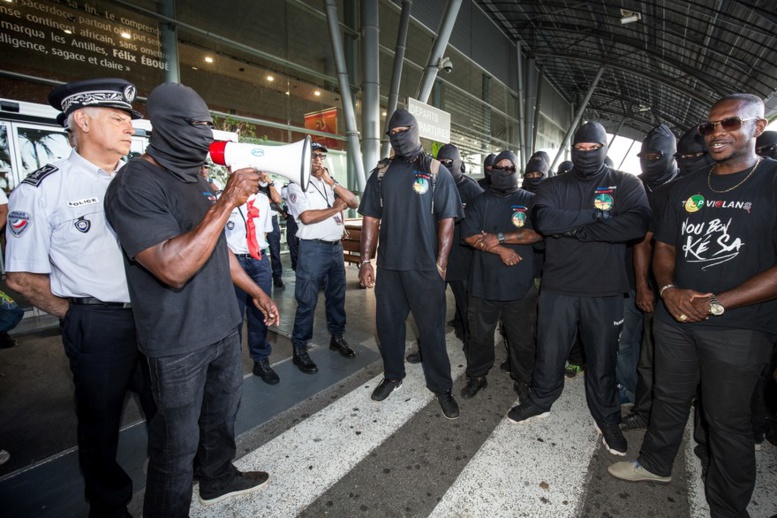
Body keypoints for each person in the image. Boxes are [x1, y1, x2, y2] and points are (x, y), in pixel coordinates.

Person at [104, 82, 279, 516]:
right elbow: (173, 267)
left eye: (210, 124)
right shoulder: (135, 183)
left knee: (220, 420)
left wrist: (255, 291)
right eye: (197, 125)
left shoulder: (197, 178)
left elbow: (215, 248)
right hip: (177, 342)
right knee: (175, 446)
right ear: (164, 126)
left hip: (221, 325)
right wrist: (225, 202)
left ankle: (218, 477)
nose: (206, 134)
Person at [608, 94, 775, 518]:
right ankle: (655, 464)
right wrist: (667, 291)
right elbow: (664, 246)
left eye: (731, 124)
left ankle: (728, 506)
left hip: (741, 325)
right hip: (676, 318)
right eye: (710, 126)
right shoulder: (686, 186)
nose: (718, 132)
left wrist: (718, 302)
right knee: (668, 395)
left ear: (757, 128)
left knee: (726, 421)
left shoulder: (772, 181)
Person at [4, 78, 156, 517]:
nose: (130, 127)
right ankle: (109, 509)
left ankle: (170, 479)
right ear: (83, 121)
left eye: (130, 119)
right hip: (97, 325)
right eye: (118, 118)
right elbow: (19, 277)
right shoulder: (43, 188)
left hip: (152, 317)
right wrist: (73, 315)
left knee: (167, 410)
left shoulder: (138, 180)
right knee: (100, 427)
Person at [507, 122, 650, 459]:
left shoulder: (626, 183)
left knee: (603, 358)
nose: (586, 154)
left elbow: (636, 224)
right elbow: (544, 222)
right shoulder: (555, 184)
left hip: (606, 291)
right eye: (580, 149)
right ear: (573, 149)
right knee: (550, 351)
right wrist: (599, 218)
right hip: (559, 288)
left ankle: (608, 417)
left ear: (604, 148)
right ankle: (541, 401)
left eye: (593, 148)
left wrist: (574, 229)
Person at [358, 109, 463, 419]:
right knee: (388, 328)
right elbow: (370, 218)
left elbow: (447, 220)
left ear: (417, 132)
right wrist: (366, 260)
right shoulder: (381, 172)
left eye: (405, 129)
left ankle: (442, 386)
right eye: (393, 132)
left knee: (431, 330)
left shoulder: (435, 171)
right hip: (390, 267)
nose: (398, 136)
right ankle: (393, 375)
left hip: (424, 268)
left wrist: (440, 265)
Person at [461, 150, 542, 401]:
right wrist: (501, 249)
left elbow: (537, 233)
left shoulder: (531, 200)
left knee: (522, 340)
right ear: (491, 170)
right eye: (500, 167)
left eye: (510, 168)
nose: (504, 172)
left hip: (520, 286)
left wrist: (499, 236)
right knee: (479, 338)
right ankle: (478, 377)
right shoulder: (478, 201)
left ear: (517, 171)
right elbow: (470, 236)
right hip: (483, 284)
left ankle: (524, 380)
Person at [620, 124, 679, 431]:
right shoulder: (632, 185)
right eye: (645, 155)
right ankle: (631, 397)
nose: (649, 160)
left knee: (657, 352)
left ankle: (659, 407)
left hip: (673, 288)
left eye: (656, 155)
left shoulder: (687, 186)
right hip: (631, 282)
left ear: (673, 156)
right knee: (627, 344)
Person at [286, 141, 359, 374]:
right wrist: (337, 210)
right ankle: (300, 348)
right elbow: (307, 217)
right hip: (313, 249)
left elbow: (354, 201)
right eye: (313, 156)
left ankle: (336, 337)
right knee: (307, 301)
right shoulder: (296, 185)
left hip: (335, 248)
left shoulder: (329, 183)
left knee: (337, 298)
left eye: (321, 156)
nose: (318, 160)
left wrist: (331, 182)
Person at [406, 144, 483, 365]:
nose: (445, 167)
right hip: (432, 259)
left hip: (462, 262)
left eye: (450, 163)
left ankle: (473, 351)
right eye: (441, 163)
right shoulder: (427, 183)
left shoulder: (472, 189)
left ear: (460, 164)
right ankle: (427, 350)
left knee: (468, 311)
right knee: (428, 310)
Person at [224, 172, 278, 384]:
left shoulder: (264, 200)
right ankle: (230, 365)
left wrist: (253, 251)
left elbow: (264, 232)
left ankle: (261, 359)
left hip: (258, 262)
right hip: (232, 263)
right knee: (233, 315)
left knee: (260, 312)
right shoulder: (225, 198)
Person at [280, 183, 300, 271]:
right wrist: (284, 211)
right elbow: (278, 200)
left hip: (306, 217)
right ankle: (296, 267)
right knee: (293, 244)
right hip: (292, 218)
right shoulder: (286, 189)